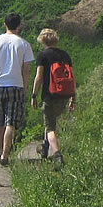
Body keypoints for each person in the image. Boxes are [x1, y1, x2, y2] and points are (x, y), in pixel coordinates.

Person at [0, 12, 35, 166]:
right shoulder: (24, 44)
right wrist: (25, 88)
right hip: (16, 84)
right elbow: (26, 70)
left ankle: (0, 151)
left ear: (5, 24)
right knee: (10, 122)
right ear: (19, 26)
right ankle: (6, 154)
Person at [30, 28, 75, 168]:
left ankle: (57, 155)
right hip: (64, 96)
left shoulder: (42, 55)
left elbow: (38, 77)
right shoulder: (65, 55)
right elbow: (72, 78)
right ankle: (44, 148)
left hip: (49, 95)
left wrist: (34, 95)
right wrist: (74, 97)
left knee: (50, 129)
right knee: (50, 122)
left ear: (42, 41)